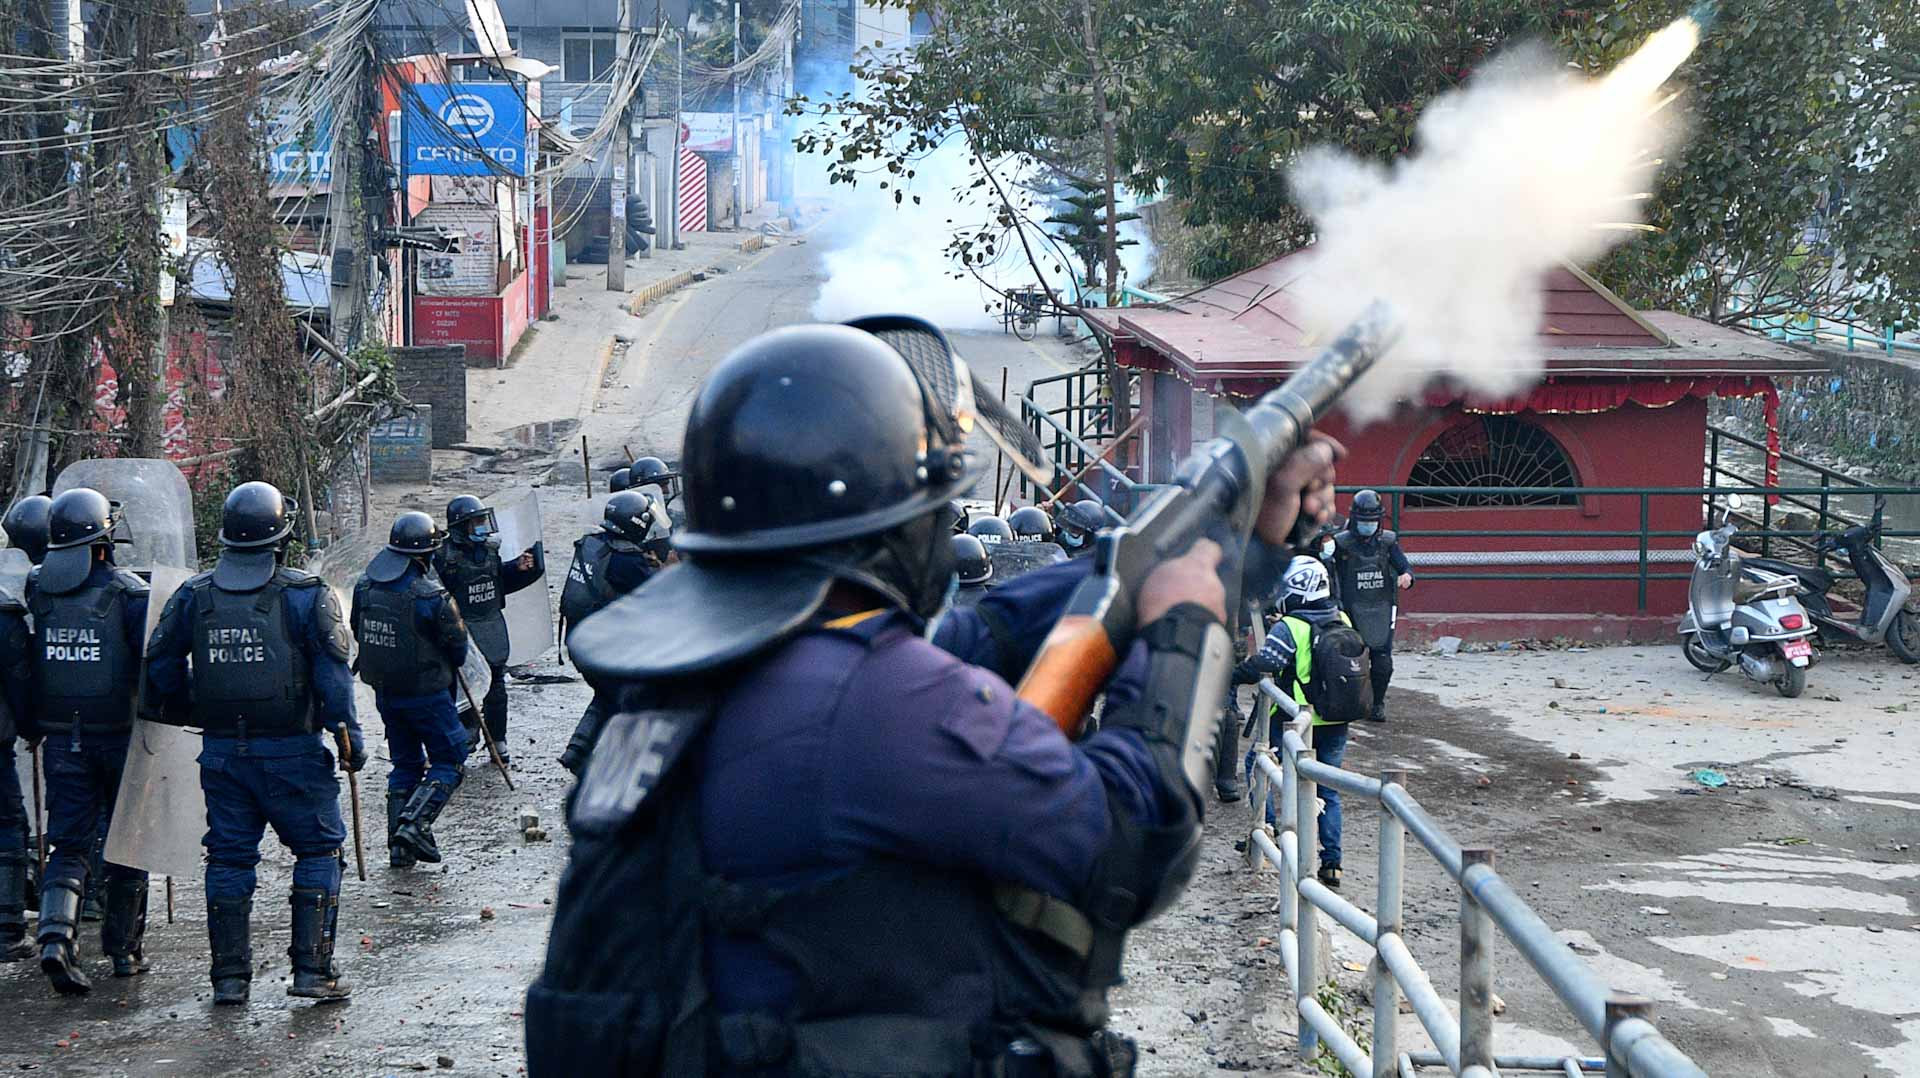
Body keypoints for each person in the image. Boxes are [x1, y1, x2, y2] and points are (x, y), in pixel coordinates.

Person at [525, 320, 1342, 1076]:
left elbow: (982, 635)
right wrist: (1187, 626)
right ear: (902, 526)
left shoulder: (727, 675)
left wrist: (1227, 545)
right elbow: (1137, 841)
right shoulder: (866, 705)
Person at [146, 482, 365, 1005]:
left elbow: (159, 665)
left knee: (227, 859)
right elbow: (334, 677)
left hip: (221, 754)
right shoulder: (306, 595)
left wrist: (188, 709)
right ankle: (312, 971)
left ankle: (229, 980)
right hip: (292, 751)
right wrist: (347, 736)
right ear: (280, 538)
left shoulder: (193, 595)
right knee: (317, 850)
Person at [24, 488, 150, 995]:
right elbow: (151, 664)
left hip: (61, 741)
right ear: (103, 540)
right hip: (119, 738)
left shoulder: (39, 589)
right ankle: (123, 952)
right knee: (127, 844)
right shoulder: (128, 592)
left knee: (69, 843)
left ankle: (56, 936)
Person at [1232, 556, 1370, 889]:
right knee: (1327, 789)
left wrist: (1233, 674)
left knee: (1257, 765)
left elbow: (1266, 662)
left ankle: (1267, 832)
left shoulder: (1290, 626)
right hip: (1336, 720)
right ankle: (1332, 862)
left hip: (1296, 720)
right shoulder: (1343, 618)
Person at [351, 512, 472, 869]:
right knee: (450, 761)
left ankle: (399, 850)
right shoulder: (432, 596)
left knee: (405, 764)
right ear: (424, 556)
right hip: (429, 694)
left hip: (387, 693)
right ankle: (413, 825)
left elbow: (360, 632)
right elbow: (459, 650)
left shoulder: (364, 587)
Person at [557, 492, 670, 777]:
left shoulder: (592, 544)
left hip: (579, 643)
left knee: (607, 694)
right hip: (601, 647)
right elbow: (660, 596)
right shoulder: (628, 560)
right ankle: (618, 770)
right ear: (635, 524)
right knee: (633, 702)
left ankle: (576, 752)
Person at [433, 495, 544, 768]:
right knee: (459, 690)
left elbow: (497, 584)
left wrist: (519, 569)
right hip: (461, 629)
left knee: (496, 686)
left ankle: (498, 741)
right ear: (462, 526)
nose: (484, 526)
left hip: (490, 625)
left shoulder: (491, 552)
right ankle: (460, 742)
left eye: (484, 520)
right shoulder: (442, 557)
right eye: (478, 522)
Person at [0, 494, 50, 963]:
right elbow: (18, 680)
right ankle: (7, 928)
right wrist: (32, 726)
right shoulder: (5, 614)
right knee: (8, 827)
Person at [1331, 489, 1412, 722]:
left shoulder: (1387, 542)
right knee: (1347, 657)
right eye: (1364, 521)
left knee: (1382, 660)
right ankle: (1349, 702)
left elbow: (1404, 566)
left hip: (1381, 607)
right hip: (1350, 607)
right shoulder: (1342, 543)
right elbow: (1331, 574)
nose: (1368, 525)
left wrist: (1406, 576)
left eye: (1372, 521)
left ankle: (1378, 703)